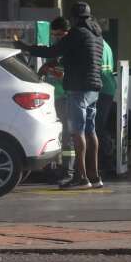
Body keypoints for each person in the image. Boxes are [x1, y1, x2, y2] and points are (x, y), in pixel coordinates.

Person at [14, 2, 103, 190]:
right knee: (90, 131)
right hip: (93, 88)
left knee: (76, 132)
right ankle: (95, 177)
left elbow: (54, 51)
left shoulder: (78, 32)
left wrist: (25, 47)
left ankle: (81, 178)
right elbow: (74, 56)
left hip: (78, 88)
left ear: (74, 18)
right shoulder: (96, 35)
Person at [37, 17, 75, 185]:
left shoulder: (70, 48)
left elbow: (67, 75)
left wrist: (51, 71)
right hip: (54, 97)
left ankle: (69, 171)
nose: (55, 38)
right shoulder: (57, 49)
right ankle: (57, 167)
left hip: (66, 97)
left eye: (58, 35)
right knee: (58, 134)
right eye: (53, 35)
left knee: (67, 135)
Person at [96, 37, 117, 172]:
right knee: (100, 125)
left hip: (101, 88)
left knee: (98, 126)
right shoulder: (106, 44)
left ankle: (106, 161)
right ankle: (106, 159)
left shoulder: (96, 44)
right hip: (108, 86)